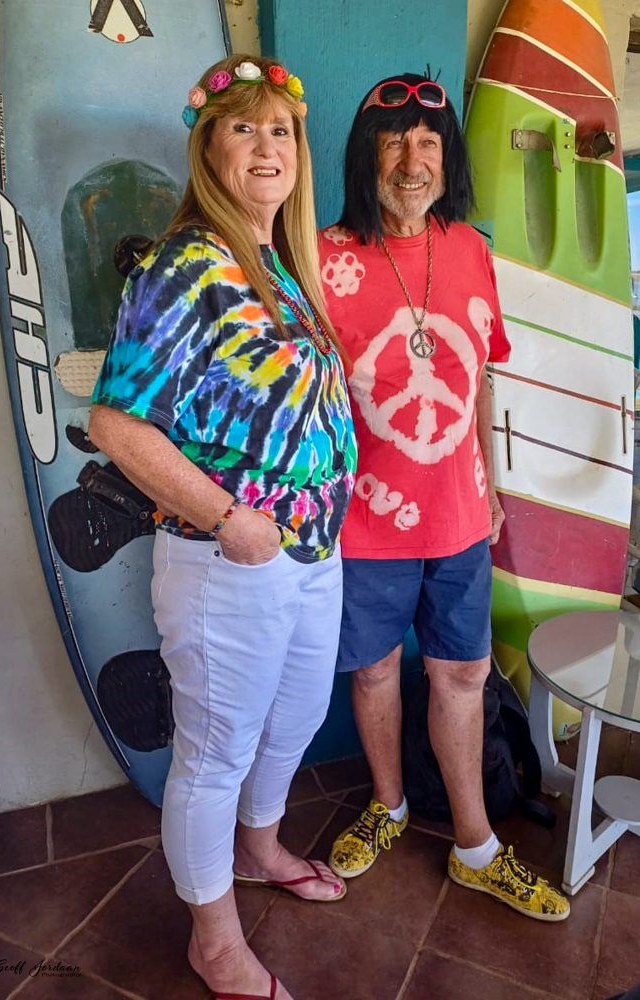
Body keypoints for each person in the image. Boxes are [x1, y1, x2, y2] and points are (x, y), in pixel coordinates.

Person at [89, 54, 357, 1000]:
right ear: (208, 147)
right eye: (244, 127)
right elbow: (115, 424)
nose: (267, 146)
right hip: (229, 555)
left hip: (312, 547)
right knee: (214, 753)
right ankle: (214, 940)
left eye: (281, 129)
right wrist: (231, 518)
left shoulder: (277, 264)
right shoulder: (186, 263)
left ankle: (260, 848)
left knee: (294, 718)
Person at [318, 72, 570, 922]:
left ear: (447, 158)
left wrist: (492, 488)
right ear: (366, 155)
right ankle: (387, 806)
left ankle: (475, 846)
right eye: (394, 141)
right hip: (363, 518)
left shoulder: (470, 249)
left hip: (460, 514)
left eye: (428, 142)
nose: (412, 161)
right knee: (374, 672)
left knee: (462, 674)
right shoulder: (320, 257)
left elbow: (481, 376)